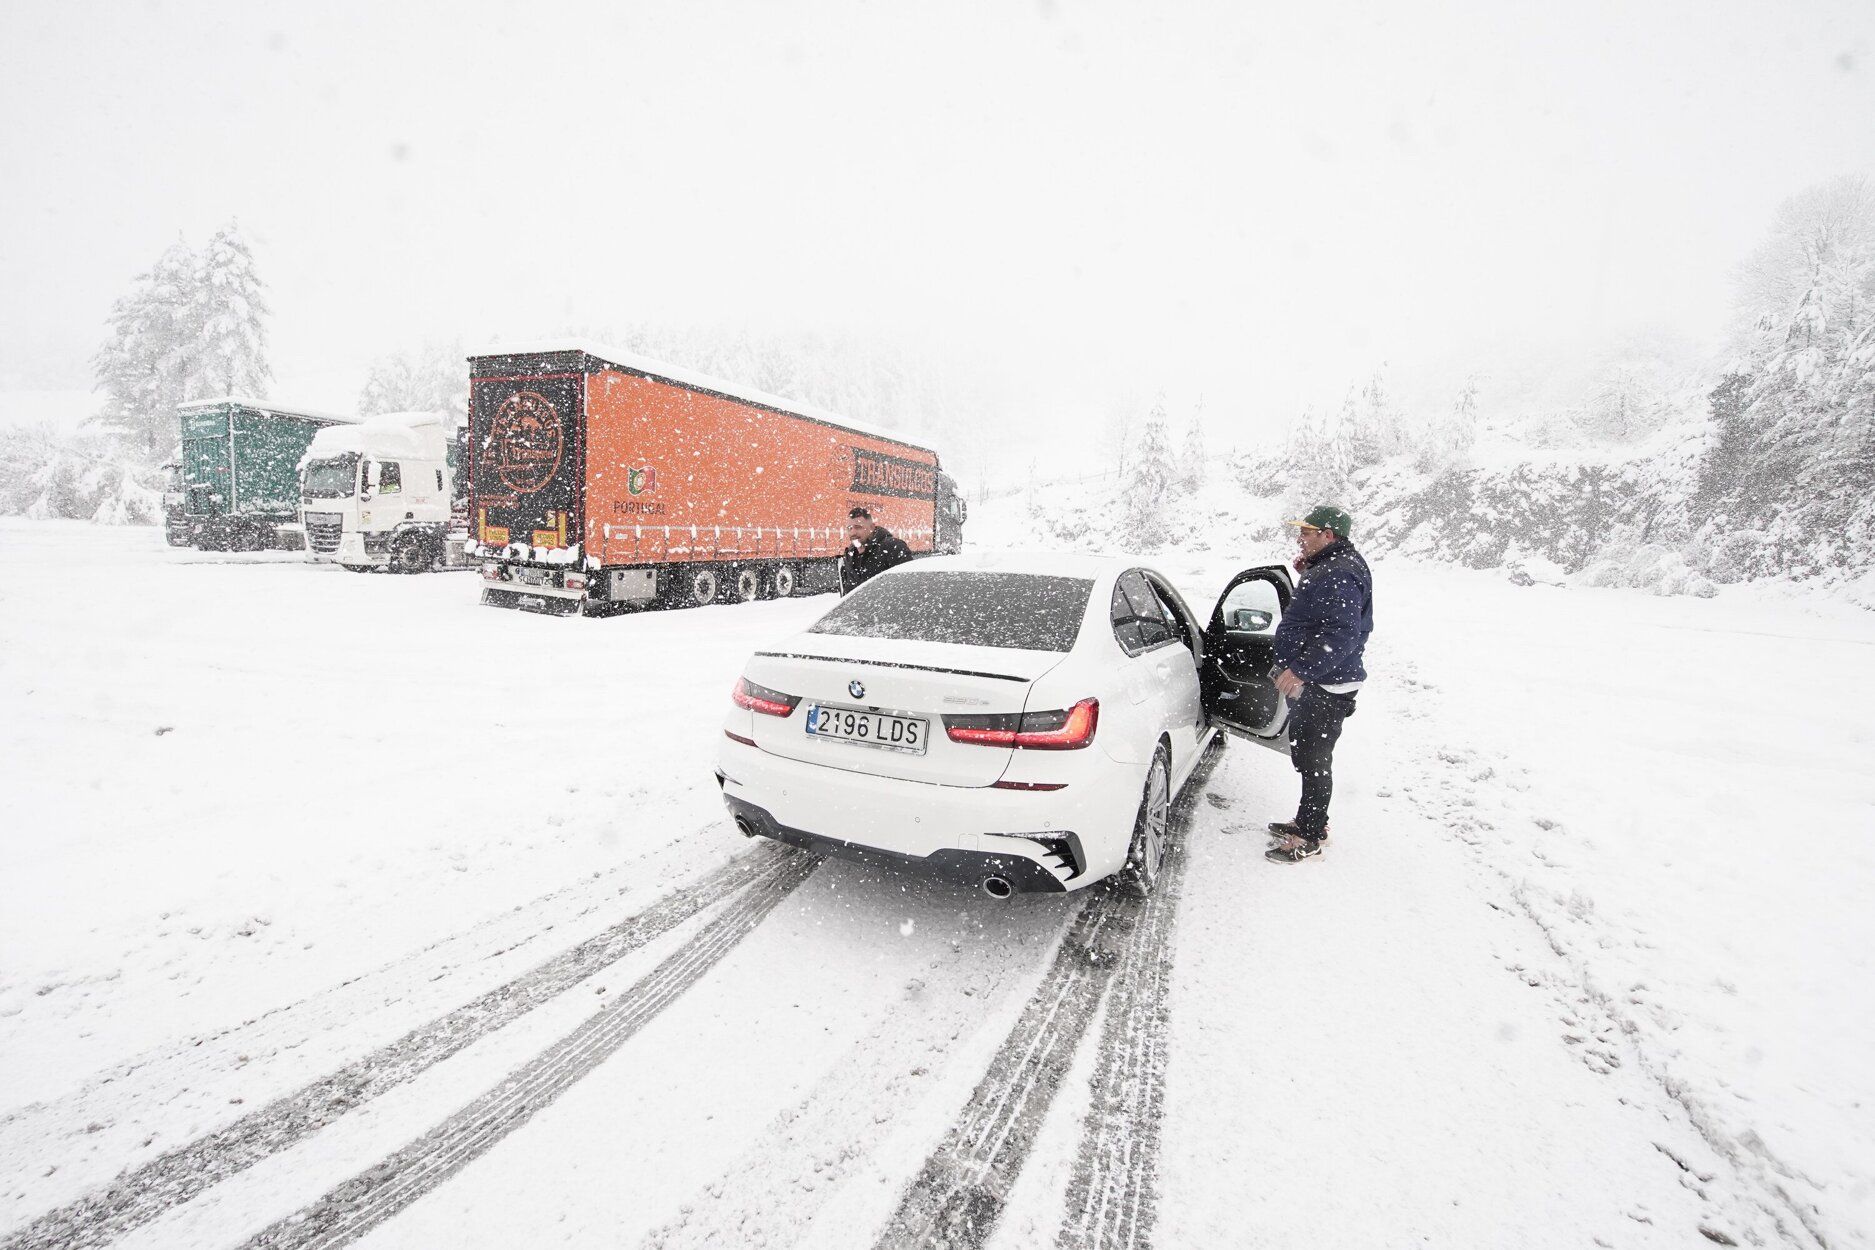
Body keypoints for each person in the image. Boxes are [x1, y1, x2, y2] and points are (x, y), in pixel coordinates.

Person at [1265, 504, 1374, 864]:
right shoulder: (1333, 567)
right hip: (1326, 680)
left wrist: (1301, 671)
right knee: (1309, 755)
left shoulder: (1337, 573)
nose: (1301, 537)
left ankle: (1310, 836)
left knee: (1313, 760)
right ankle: (1310, 820)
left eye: (1308, 532)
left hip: (1326, 684)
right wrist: (1311, 569)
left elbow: (1340, 633)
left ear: (1328, 535)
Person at [838, 505, 912, 594]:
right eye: (849, 528)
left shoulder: (893, 547)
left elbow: (908, 587)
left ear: (872, 527)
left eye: (858, 527)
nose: (853, 532)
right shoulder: (850, 554)